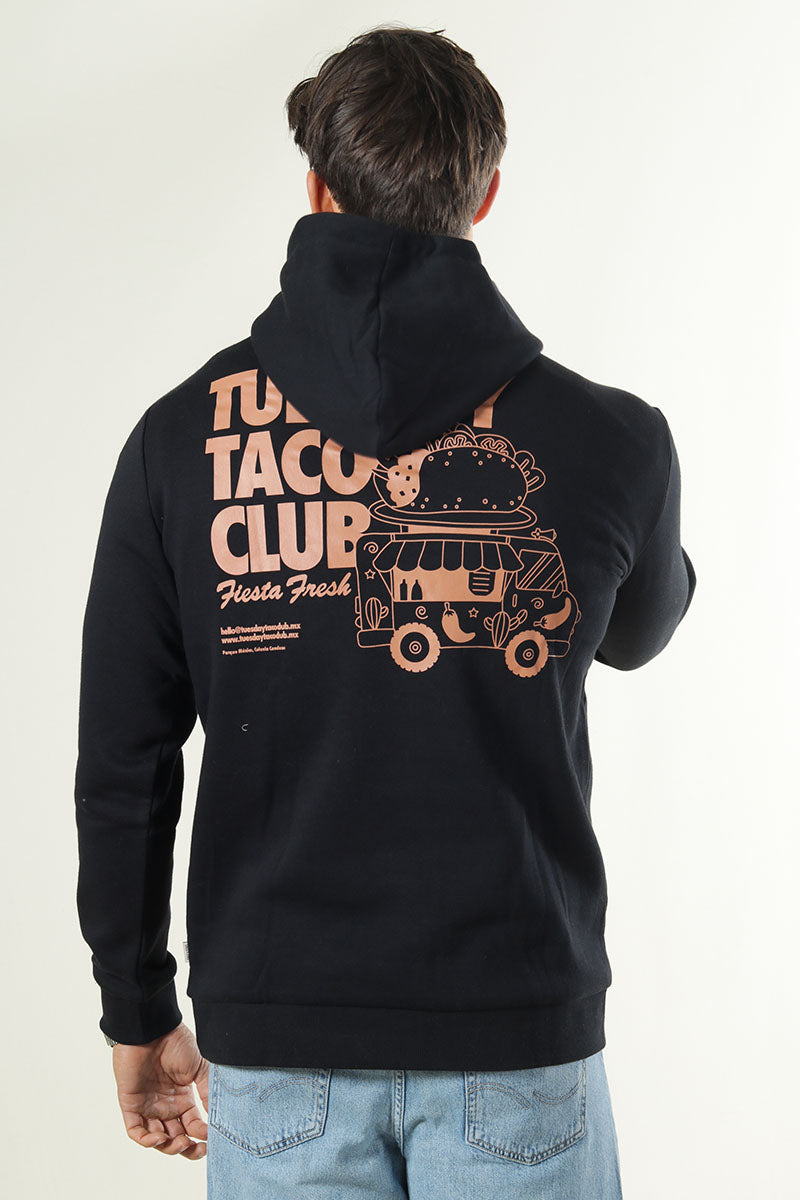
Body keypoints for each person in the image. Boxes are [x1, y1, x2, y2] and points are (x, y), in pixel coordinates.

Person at [74, 23, 696, 1200]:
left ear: (316, 188)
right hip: (515, 1030)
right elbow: (639, 630)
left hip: (277, 1045)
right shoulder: (611, 440)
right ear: (484, 195)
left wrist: (135, 1007)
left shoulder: (178, 441)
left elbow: (124, 761)